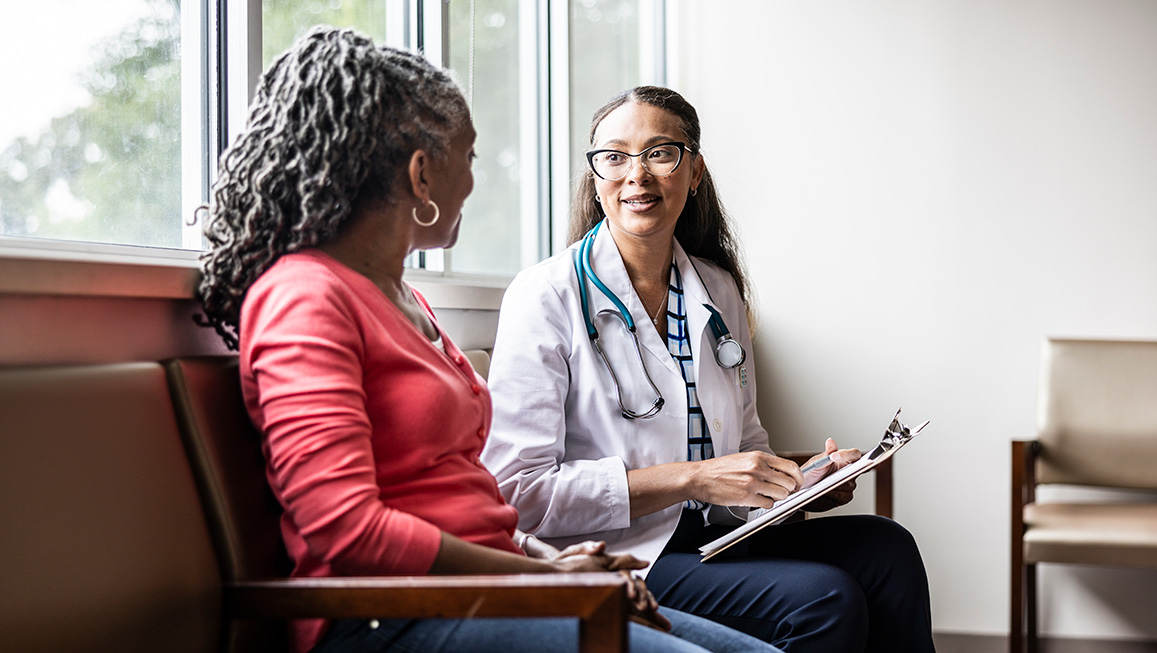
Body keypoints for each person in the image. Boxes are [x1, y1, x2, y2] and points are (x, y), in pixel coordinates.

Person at [195, 28, 781, 653]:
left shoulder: (405, 301)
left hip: (493, 586)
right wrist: (544, 579)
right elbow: (347, 531)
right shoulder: (305, 297)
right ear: (422, 174)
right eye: (469, 158)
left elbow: (469, 504)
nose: (473, 183)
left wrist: (553, 569)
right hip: (394, 616)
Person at [481, 85, 936, 653]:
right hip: (623, 555)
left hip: (716, 537)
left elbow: (744, 447)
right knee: (826, 597)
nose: (637, 175)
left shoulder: (716, 291)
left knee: (887, 548)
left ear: (693, 172)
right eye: (615, 156)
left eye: (660, 153)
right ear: (595, 178)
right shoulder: (544, 296)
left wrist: (802, 484)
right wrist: (691, 477)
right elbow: (517, 493)